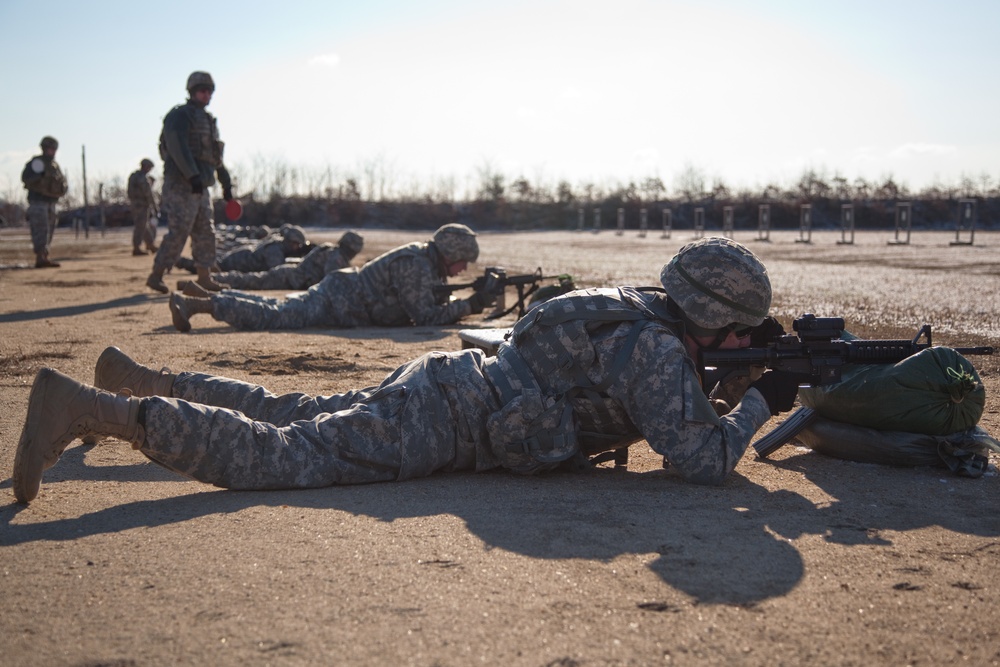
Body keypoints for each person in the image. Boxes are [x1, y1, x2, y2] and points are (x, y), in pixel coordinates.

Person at [12, 237, 802, 504]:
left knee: (290, 408)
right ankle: (95, 409)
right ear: (712, 318)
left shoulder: (632, 306)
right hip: (447, 418)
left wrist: (725, 376)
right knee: (292, 453)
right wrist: (760, 399)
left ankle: (141, 379)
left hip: (449, 382)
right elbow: (699, 461)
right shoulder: (660, 348)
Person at [167, 223, 494, 332]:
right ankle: (195, 306)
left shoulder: (422, 259)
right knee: (277, 316)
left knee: (276, 307)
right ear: (450, 253)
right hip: (341, 301)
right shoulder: (417, 264)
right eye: (463, 262)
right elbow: (423, 316)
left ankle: (200, 298)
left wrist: (465, 297)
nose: (464, 269)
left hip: (341, 293)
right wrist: (471, 305)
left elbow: (428, 298)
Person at [146, 71, 234, 294]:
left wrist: (225, 183)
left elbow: (215, 157)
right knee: (179, 231)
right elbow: (177, 147)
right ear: (193, 91)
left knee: (206, 231)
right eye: (203, 91)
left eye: (210, 91)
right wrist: (191, 175)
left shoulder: (208, 120)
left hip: (201, 185)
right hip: (181, 184)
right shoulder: (180, 116)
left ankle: (204, 277)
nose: (207, 95)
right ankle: (156, 275)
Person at [199, 230, 365, 291]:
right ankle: (211, 279)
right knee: (250, 281)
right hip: (288, 278)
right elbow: (333, 280)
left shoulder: (331, 249)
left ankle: (209, 278)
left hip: (289, 275)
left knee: (251, 280)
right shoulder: (336, 256)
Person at [173, 224, 311, 279]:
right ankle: (179, 261)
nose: (297, 248)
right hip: (239, 261)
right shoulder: (276, 250)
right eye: (297, 245)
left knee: (212, 266)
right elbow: (276, 271)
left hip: (241, 256)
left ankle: (179, 261)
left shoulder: (278, 245)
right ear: (291, 241)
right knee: (212, 268)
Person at [20, 136, 68, 268]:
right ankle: (40, 257)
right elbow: (26, 178)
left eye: (53, 149)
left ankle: (44, 256)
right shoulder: (37, 163)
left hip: (51, 202)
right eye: (49, 148)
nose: (51, 151)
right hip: (38, 202)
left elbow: (61, 182)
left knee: (49, 230)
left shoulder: (54, 165)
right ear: (43, 148)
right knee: (40, 229)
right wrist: (39, 177)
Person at [127, 158, 158, 255]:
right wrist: (155, 206)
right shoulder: (142, 178)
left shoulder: (134, 176)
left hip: (135, 204)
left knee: (144, 225)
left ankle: (150, 244)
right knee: (140, 226)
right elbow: (148, 193)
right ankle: (136, 247)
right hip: (142, 205)